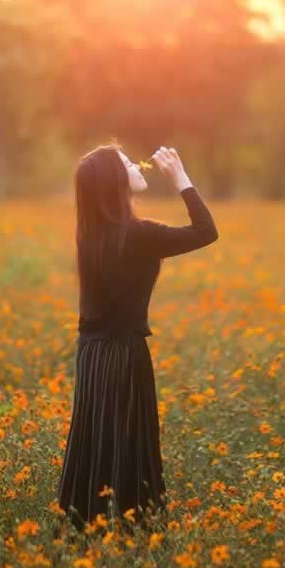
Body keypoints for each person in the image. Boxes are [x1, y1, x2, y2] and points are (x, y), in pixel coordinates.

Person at [56, 142, 219, 536]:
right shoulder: (139, 234)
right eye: (127, 162)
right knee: (133, 447)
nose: (136, 163)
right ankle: (140, 538)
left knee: (91, 447)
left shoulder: (90, 235)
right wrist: (180, 177)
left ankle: (79, 538)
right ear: (116, 181)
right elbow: (206, 232)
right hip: (125, 355)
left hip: (91, 355)